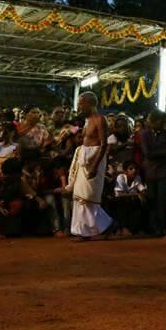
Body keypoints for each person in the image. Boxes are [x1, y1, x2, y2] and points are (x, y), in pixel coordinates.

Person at [65, 92, 114, 241]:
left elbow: (104, 145)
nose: (79, 106)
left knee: (88, 197)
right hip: (84, 158)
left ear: (90, 104)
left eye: (81, 103)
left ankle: (103, 227)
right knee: (80, 196)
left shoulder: (100, 120)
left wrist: (94, 166)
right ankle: (85, 232)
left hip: (94, 160)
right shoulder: (86, 120)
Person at [0, 157, 44, 239]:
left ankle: (0, 230)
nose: (21, 174)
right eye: (18, 172)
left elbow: (29, 191)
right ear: (11, 174)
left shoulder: (17, 180)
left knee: (18, 204)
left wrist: (40, 201)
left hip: (5, 203)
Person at [140, 110, 166, 236]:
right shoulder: (144, 134)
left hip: (163, 172)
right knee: (152, 200)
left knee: (162, 201)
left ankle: (162, 226)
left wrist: (159, 152)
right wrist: (164, 152)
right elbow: (147, 153)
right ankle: (153, 227)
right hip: (151, 172)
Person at [114, 161, 147, 236]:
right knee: (123, 202)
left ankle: (136, 228)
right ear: (125, 171)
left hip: (131, 200)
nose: (134, 170)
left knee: (139, 202)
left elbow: (142, 189)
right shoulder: (120, 177)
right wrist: (136, 194)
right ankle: (123, 228)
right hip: (118, 200)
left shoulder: (137, 177)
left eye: (135, 168)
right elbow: (119, 194)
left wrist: (142, 195)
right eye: (131, 169)